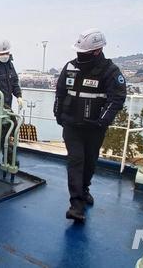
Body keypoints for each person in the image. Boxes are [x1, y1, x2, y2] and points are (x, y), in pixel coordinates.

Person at [54, 29, 126, 223]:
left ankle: (84, 190)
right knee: (76, 161)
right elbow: (60, 92)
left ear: (97, 51)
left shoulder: (110, 72)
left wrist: (102, 121)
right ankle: (76, 205)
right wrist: (58, 114)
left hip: (95, 127)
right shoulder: (70, 67)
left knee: (90, 161)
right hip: (72, 125)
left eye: (83, 52)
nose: (79, 55)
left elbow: (117, 98)